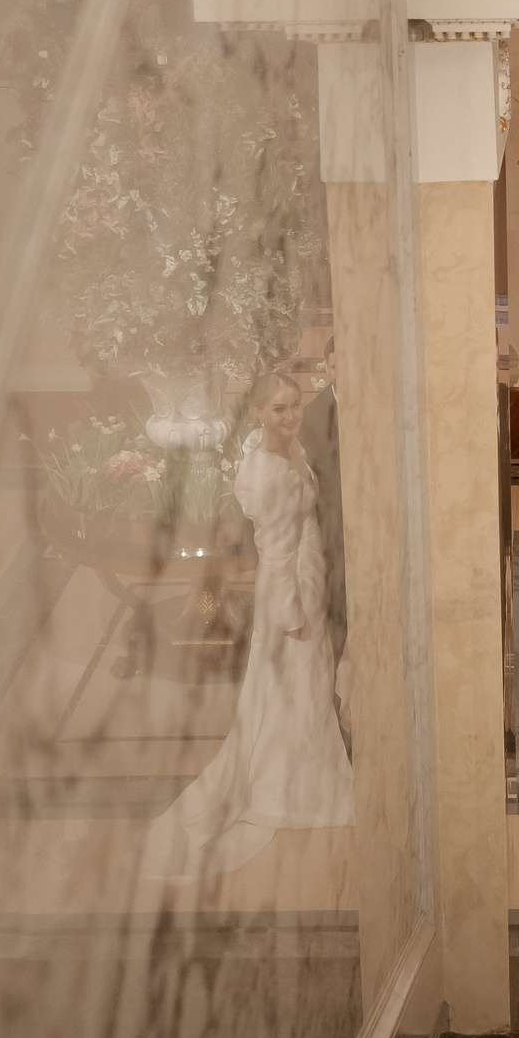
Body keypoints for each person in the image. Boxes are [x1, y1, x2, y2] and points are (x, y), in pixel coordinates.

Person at [142, 369, 353, 879]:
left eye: (294, 404)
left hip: (311, 573)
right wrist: (293, 615)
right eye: (278, 408)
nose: (290, 415)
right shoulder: (262, 471)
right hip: (289, 593)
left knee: (310, 688)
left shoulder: (293, 449)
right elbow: (274, 556)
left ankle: (310, 772)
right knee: (293, 688)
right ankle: (289, 791)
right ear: (258, 412)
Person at [298, 337, 345, 661]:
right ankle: (329, 690)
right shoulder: (312, 416)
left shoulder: (380, 407)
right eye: (334, 366)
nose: (340, 373)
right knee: (337, 611)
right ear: (327, 368)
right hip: (334, 529)